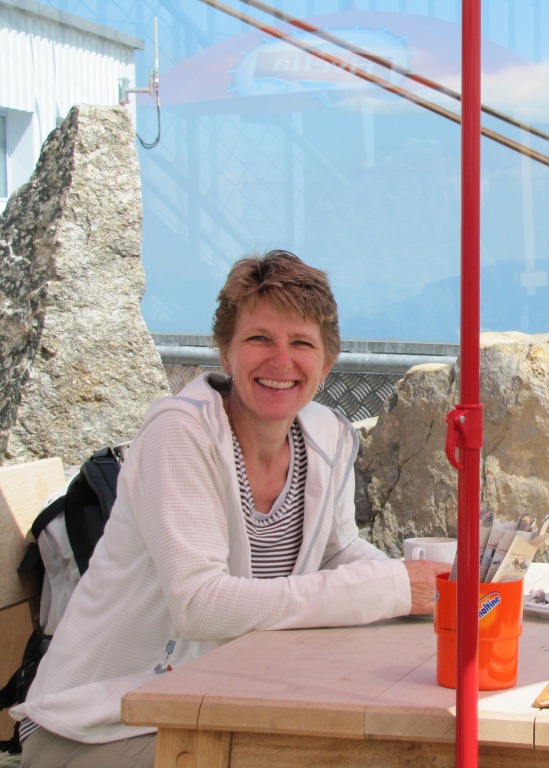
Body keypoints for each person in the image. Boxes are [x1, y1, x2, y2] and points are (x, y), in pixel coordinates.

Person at [12, 250, 450, 768]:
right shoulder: (181, 434)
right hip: (95, 722)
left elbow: (337, 552)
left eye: (301, 343)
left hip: (213, 705)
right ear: (225, 353)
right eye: (259, 339)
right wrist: (392, 588)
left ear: (327, 365)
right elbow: (201, 604)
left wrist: (430, 591)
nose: (280, 361)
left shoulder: (328, 436)